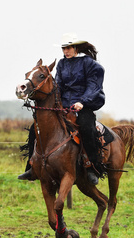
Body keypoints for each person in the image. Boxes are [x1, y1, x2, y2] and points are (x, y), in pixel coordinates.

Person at [18, 33, 105, 185]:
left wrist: (82, 102)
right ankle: (31, 167)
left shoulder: (89, 63)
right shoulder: (62, 64)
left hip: (83, 105)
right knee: (35, 129)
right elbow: (58, 86)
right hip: (63, 106)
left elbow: (94, 86)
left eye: (69, 48)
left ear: (75, 48)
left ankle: (92, 168)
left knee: (87, 128)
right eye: (64, 48)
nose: (66, 51)